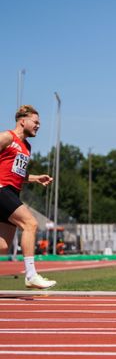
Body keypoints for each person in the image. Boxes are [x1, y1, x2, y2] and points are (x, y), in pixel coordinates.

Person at [0, 105, 56, 289]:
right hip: (2, 190)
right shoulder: (7, 137)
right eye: (36, 122)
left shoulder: (27, 147)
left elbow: (17, 173)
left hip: (12, 192)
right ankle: (31, 275)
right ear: (22, 121)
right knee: (30, 224)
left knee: (3, 246)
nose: (38, 126)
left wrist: (35, 178)